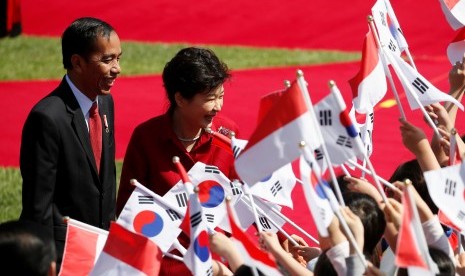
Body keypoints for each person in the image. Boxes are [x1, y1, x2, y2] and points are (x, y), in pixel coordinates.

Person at [116, 47, 239, 275]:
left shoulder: (228, 133)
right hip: (164, 265)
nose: (218, 106)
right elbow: (127, 209)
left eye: (221, 95)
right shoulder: (146, 138)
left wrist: (281, 237)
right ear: (180, 98)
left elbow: (244, 199)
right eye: (210, 98)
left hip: (217, 265)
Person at [19, 17, 122, 268]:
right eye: (107, 60)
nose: (117, 68)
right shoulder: (47, 117)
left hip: (101, 246)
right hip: (65, 254)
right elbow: (38, 206)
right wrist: (46, 263)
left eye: (119, 58)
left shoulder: (105, 103)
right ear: (77, 62)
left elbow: (105, 183)